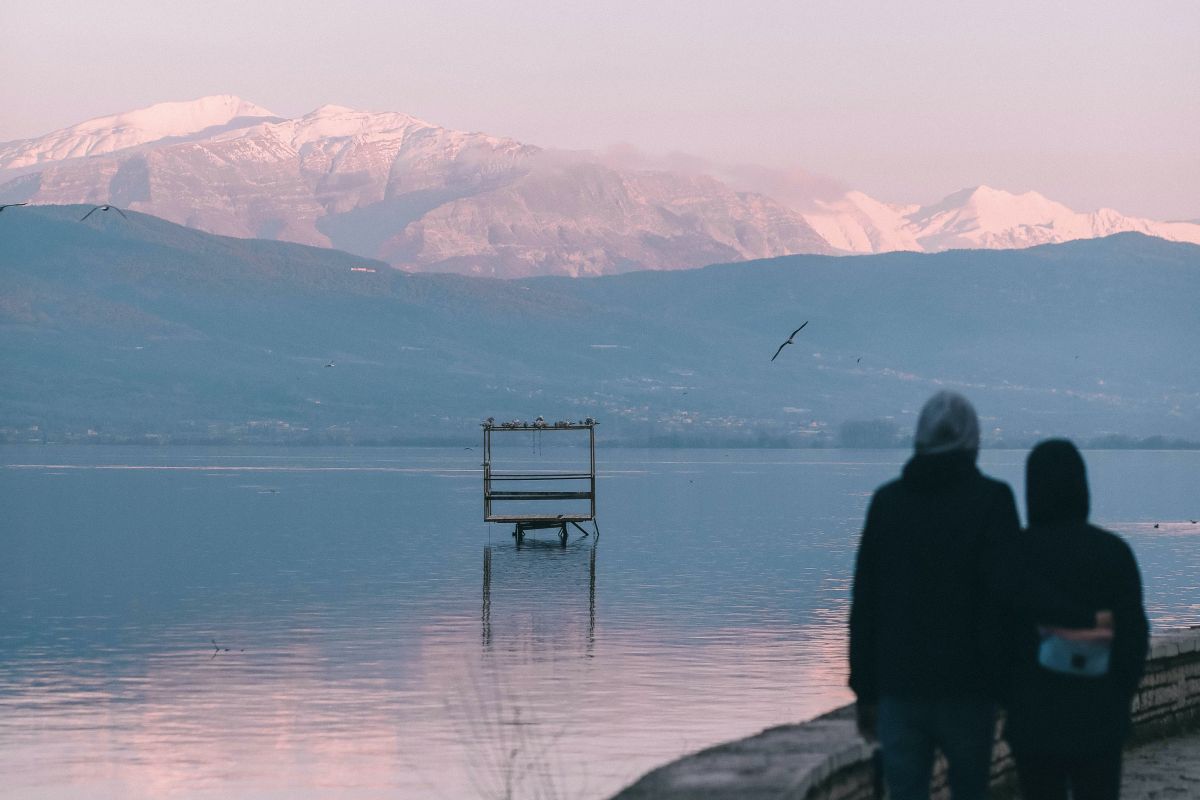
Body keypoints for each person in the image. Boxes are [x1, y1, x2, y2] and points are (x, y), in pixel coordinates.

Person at [848, 391, 1018, 800]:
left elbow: (865, 605)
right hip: (970, 688)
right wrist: (1010, 685)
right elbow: (1009, 602)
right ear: (972, 442)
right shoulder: (993, 502)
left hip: (899, 685)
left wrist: (865, 690)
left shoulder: (887, 503)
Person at [1001, 439, 1149, 800]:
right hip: (1099, 717)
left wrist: (1013, 698)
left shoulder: (1014, 553)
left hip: (1033, 719)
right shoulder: (1113, 553)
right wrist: (1118, 696)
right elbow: (1133, 637)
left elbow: (998, 636)